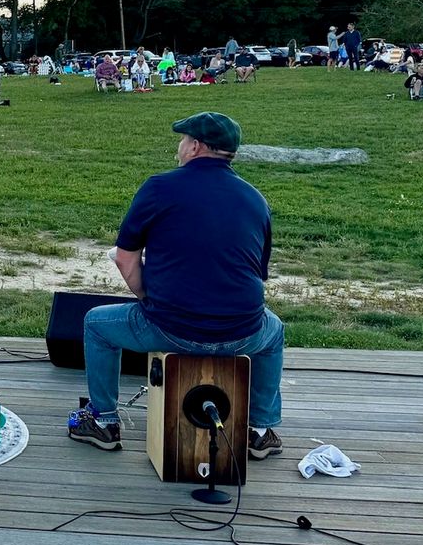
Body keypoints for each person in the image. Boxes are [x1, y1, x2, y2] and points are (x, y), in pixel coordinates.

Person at [69, 112, 284, 459]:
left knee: (96, 324)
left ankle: (103, 421)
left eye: (182, 141)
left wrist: (147, 299)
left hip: (171, 328)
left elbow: (125, 259)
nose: (178, 148)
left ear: (195, 146)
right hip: (243, 331)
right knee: (274, 332)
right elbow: (257, 272)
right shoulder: (255, 199)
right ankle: (260, 429)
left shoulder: (159, 187)